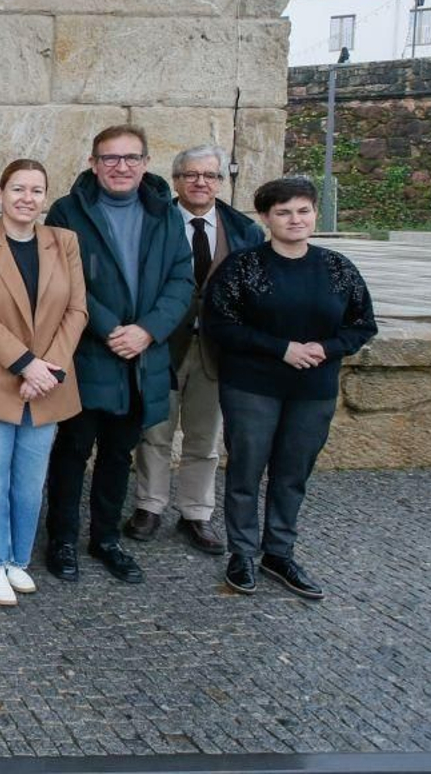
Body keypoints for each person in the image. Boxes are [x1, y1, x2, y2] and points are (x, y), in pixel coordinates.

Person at [205, 176, 376, 600]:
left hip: (313, 389)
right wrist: (281, 349)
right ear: (265, 218)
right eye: (283, 212)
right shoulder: (243, 267)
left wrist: (326, 346)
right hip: (252, 386)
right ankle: (242, 552)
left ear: (315, 213)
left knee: (293, 473)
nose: (294, 219)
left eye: (303, 210)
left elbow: (361, 325)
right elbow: (219, 325)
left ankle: (279, 552)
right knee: (246, 469)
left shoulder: (338, 269)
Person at [42, 125, 193, 585]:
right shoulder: (68, 211)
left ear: (146, 163)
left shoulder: (165, 214)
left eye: (130, 158)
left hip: (142, 358)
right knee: (71, 452)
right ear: (93, 163)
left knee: (118, 454)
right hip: (88, 352)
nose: (120, 167)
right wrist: (110, 328)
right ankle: (62, 539)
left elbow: (181, 279)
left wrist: (147, 331)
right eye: (110, 158)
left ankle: (106, 539)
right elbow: (65, 281)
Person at [0, 160, 88, 606]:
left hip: (49, 380)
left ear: (45, 197)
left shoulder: (63, 242)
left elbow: (77, 312)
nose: (27, 199)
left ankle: (14, 556)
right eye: (18, 189)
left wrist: (47, 369)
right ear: (1, 192)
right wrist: (25, 364)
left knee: (29, 479)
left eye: (36, 190)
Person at [124, 145, 264, 555]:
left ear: (221, 181)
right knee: (155, 432)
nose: (200, 182)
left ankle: (196, 513)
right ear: (176, 180)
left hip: (217, 350)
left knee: (205, 437)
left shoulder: (243, 230)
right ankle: (149, 505)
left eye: (210, 175)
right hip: (164, 344)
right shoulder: (152, 222)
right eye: (191, 175)